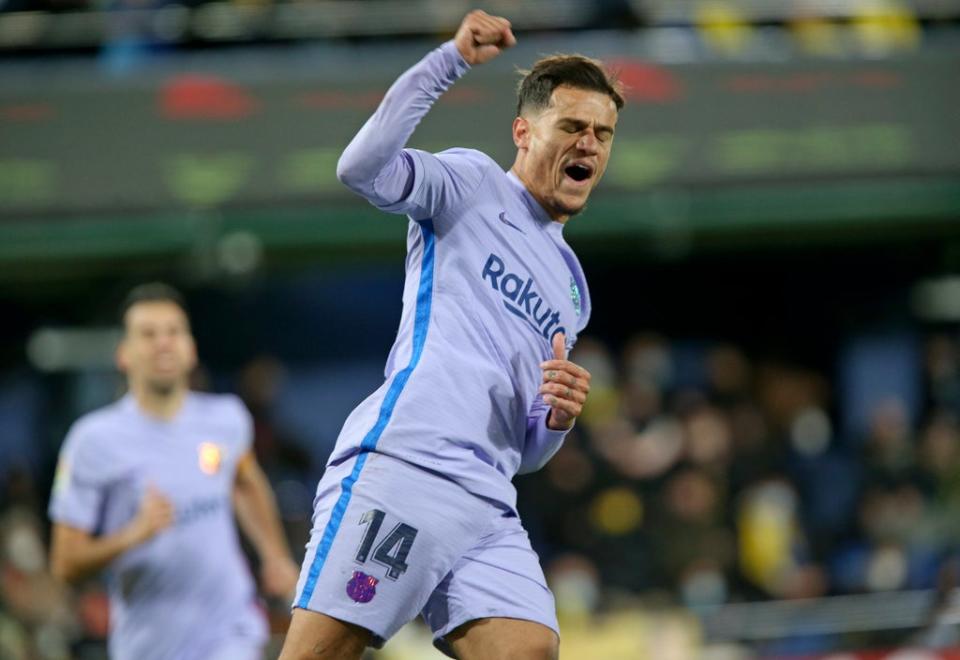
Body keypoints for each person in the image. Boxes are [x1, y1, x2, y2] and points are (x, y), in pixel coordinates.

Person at [281, 9, 622, 660]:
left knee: (531, 650)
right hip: (409, 465)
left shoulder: (572, 288)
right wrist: (451, 60)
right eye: (572, 127)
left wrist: (556, 418)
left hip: (490, 500)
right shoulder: (468, 182)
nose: (589, 145)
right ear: (523, 132)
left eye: (603, 134)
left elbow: (527, 452)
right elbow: (359, 169)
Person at [48, 283, 300, 660]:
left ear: (191, 348)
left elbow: (245, 481)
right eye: (148, 334)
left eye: (174, 332)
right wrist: (132, 535)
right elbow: (65, 565)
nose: (163, 343)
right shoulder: (92, 441)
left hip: (230, 630)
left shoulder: (226, 418)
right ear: (123, 354)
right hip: (148, 645)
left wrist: (275, 556)